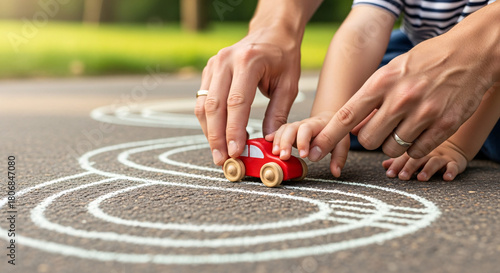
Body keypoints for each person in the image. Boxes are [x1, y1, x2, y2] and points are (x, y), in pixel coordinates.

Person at [195, 0, 500, 179]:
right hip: (418, 52)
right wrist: (331, 113)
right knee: (370, 98)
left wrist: (456, 145)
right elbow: (364, 27)